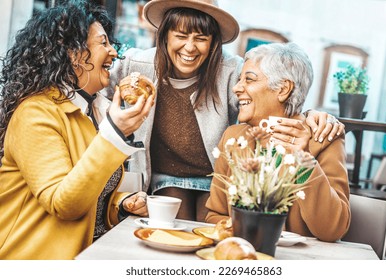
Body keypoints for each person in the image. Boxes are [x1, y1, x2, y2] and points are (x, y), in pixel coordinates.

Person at [104, 0, 344, 222]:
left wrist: (315, 115)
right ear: (164, 36)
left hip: (214, 175)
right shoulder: (135, 65)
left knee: (210, 223)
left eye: (201, 38)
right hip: (162, 176)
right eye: (180, 35)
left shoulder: (232, 71)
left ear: (213, 42)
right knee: (175, 221)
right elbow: (96, 85)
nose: (189, 47)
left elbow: (274, 93)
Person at [0, 0, 154, 260]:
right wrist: (114, 135)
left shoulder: (89, 111)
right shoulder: (35, 113)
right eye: (103, 43)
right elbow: (63, 203)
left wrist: (121, 204)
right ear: (73, 54)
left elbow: (87, 193)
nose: (113, 53)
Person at [205, 42, 350, 242]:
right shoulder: (233, 137)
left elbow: (333, 229)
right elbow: (215, 215)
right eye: (239, 80)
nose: (237, 88)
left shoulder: (323, 138)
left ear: (283, 89)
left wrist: (303, 161)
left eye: (249, 80)